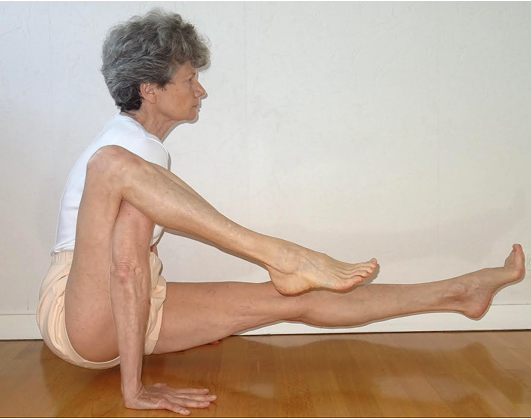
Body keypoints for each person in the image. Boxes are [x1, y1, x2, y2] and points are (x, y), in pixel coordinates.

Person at [36, 8, 525, 416]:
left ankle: (458, 293)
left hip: (132, 311)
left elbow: (135, 267)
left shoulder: (146, 153)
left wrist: (173, 333)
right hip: (82, 315)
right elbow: (123, 268)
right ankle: (282, 255)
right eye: (190, 79)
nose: (201, 90)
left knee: (296, 299)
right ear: (149, 89)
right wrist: (135, 389)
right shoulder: (125, 150)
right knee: (111, 166)